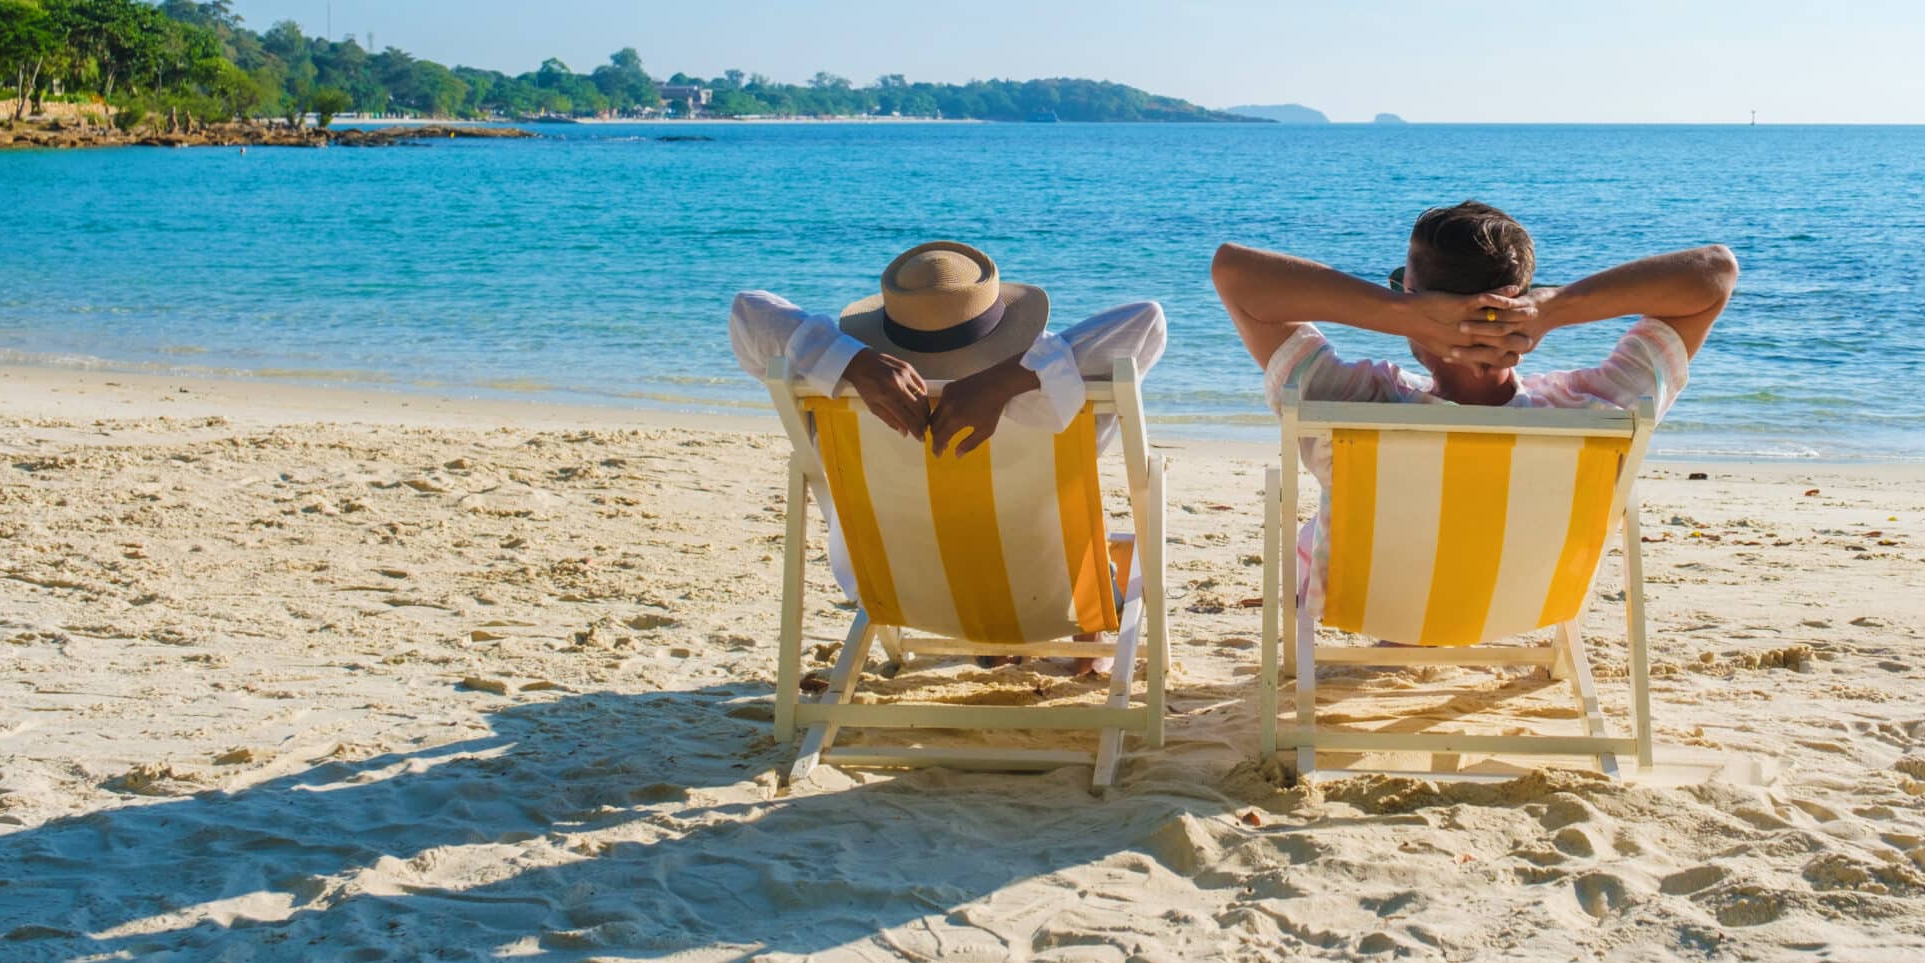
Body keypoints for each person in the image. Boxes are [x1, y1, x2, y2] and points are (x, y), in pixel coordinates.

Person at [1209, 201, 1737, 617]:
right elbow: (1714, 273)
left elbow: (1234, 271)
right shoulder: (1597, 410)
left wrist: (1396, 312)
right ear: (1522, 299)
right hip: (1526, 608)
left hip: (1375, 607)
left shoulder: (1351, 404)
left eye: (1402, 285)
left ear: (1415, 299)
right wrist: (1556, 308)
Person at [730, 240, 1165, 613]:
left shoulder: (844, 394)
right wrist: (1009, 378)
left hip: (896, 595)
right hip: (1054, 596)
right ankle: (1088, 645)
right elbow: (1147, 322)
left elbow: (748, 311)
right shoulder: (1049, 395)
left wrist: (853, 361)